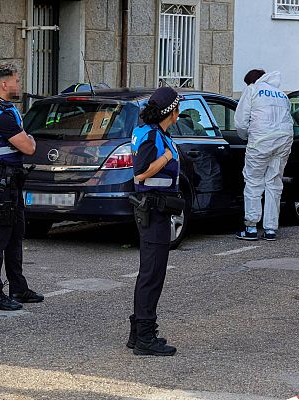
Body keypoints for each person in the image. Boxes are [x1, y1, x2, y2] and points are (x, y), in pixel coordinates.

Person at [0, 64, 44, 311]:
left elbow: (26, 140)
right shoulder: (1, 116)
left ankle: (18, 287)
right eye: (16, 80)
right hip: (0, 182)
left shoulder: (8, 111)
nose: (19, 84)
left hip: (11, 180)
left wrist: (27, 140)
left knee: (16, 233)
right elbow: (29, 147)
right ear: (4, 84)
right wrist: (28, 142)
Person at [126, 87, 184, 356]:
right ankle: (145, 337)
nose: (179, 111)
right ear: (171, 111)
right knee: (152, 275)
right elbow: (140, 174)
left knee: (149, 273)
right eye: (178, 106)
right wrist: (166, 158)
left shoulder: (155, 132)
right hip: (153, 211)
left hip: (155, 210)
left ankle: (138, 332)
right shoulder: (151, 135)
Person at [234, 69, 294, 241]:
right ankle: (270, 229)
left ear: (251, 81)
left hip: (260, 141)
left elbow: (241, 121)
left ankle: (251, 227)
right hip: (283, 141)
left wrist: (246, 137)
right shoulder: (281, 95)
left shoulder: (252, 90)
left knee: (253, 182)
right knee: (274, 183)